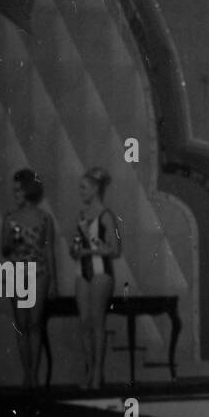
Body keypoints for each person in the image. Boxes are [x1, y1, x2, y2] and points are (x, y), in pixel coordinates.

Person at [0, 167, 56, 390]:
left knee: (34, 323)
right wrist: (11, 242)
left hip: (39, 272)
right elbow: (4, 249)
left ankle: (33, 374)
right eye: (14, 191)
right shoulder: (9, 218)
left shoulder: (45, 218)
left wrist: (55, 283)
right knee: (22, 324)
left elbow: (49, 250)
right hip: (16, 272)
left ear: (29, 191)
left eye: (18, 191)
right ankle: (27, 374)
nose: (15, 195)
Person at [69, 167, 121, 391]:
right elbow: (76, 246)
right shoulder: (81, 215)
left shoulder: (107, 216)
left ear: (96, 189)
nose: (80, 191)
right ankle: (89, 369)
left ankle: (98, 372)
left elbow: (115, 249)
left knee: (97, 322)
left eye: (84, 187)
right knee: (84, 323)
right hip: (82, 271)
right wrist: (76, 250)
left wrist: (90, 251)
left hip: (102, 273)